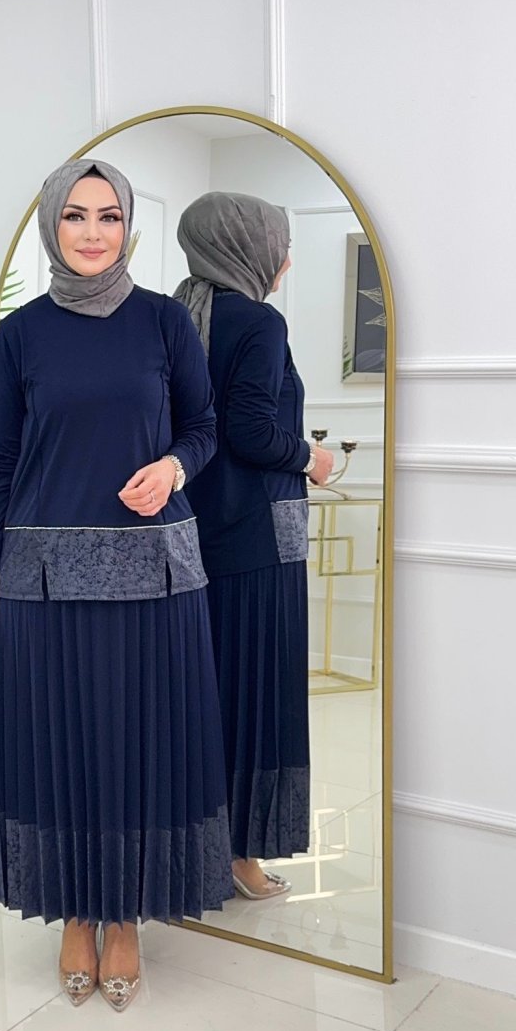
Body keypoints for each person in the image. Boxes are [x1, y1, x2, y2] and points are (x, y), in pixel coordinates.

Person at [0, 158, 233, 1011]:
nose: (92, 232)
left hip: (152, 570)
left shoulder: (164, 321)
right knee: (61, 746)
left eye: (108, 216)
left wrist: (173, 467)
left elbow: (204, 426)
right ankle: (75, 911)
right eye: (75, 216)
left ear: (128, 227)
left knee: (135, 743)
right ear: (53, 225)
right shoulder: (20, 334)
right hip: (43, 574)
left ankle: (124, 917)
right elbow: (1, 458)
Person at [174, 192, 334, 899]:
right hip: (260, 546)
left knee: (202, 696)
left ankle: (193, 853)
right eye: (280, 245)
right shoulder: (259, 321)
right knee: (257, 698)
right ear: (246, 248)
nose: (286, 261)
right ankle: (241, 859)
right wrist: (313, 459)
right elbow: (253, 433)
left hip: (190, 537)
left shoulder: (174, 314)